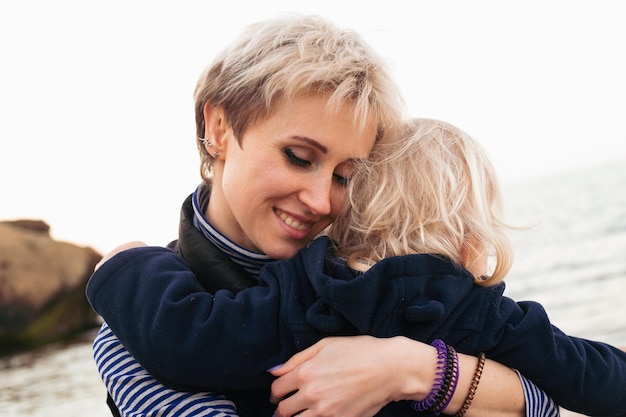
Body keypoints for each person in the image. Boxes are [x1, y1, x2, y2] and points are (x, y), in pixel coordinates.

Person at [88, 15, 559, 417]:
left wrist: (416, 371)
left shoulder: (365, 272)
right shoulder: (143, 315)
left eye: (345, 177)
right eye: (298, 155)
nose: (319, 201)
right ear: (219, 128)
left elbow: (545, 402)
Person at [88, 118, 626, 416]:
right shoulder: (482, 313)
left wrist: (130, 264)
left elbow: (192, 337)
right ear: (470, 235)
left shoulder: (302, 288)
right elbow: (589, 380)